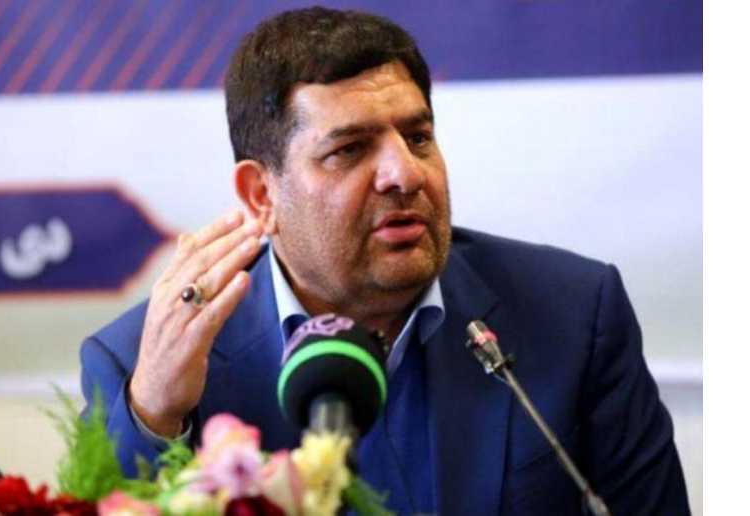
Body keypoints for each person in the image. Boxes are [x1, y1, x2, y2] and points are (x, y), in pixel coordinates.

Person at [80, 7, 690, 515]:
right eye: (349, 150)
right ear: (262, 195)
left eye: (418, 138)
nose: (405, 174)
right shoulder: (145, 364)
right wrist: (155, 415)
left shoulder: (574, 313)